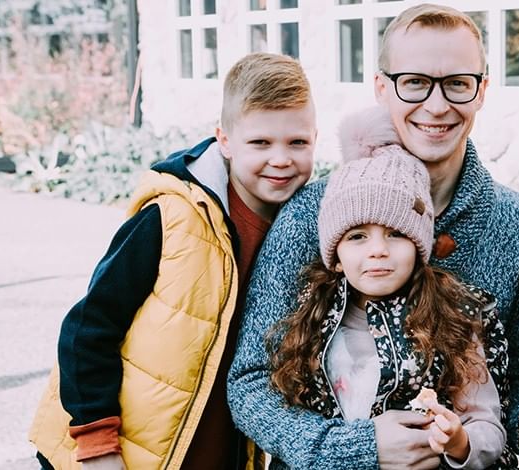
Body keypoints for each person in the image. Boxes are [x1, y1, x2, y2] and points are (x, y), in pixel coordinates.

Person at [228, 4, 519, 469]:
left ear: (482, 91)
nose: (436, 105)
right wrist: (355, 448)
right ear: (380, 87)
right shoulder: (313, 214)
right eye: (414, 82)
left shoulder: (516, 225)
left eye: (457, 83)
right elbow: (251, 382)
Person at [28, 52, 317, 470]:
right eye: (260, 142)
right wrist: (98, 446)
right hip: (119, 454)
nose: (281, 159)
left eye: (298, 142)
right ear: (225, 140)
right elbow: (88, 327)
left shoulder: (304, 234)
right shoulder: (173, 217)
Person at [264, 109, 516, 470]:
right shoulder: (310, 316)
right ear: (335, 255)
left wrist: (460, 442)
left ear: (420, 246)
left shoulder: (452, 317)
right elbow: (285, 409)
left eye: (396, 233)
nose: (377, 249)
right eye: (357, 236)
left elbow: (487, 421)